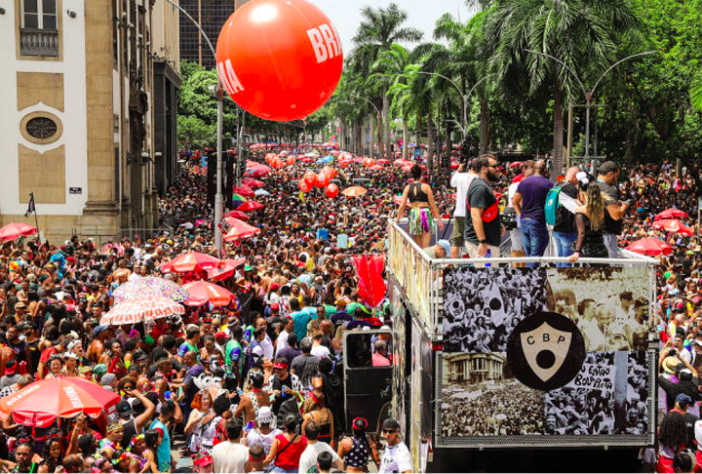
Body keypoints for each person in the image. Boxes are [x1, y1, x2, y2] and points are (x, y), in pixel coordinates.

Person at [464, 155, 504, 266]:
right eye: (494, 166)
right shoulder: (480, 187)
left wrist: (498, 225)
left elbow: (485, 212)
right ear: (484, 169)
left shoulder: (482, 185)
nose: (497, 169)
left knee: (488, 277)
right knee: (487, 279)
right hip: (482, 245)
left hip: (486, 243)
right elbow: (475, 215)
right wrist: (482, 241)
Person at [513, 160, 553, 264]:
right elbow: (553, 204)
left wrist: (521, 214)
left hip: (524, 221)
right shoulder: (548, 184)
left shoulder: (524, 182)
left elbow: (515, 201)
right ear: (545, 170)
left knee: (530, 253)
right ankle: (532, 277)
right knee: (535, 255)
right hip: (537, 221)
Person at [396, 165, 444, 248]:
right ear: (421, 174)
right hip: (425, 213)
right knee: (425, 247)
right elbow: (433, 205)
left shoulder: (407, 188)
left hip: (414, 213)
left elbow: (402, 206)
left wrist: (397, 220)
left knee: (417, 248)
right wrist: (439, 220)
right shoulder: (426, 187)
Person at [568, 173, 608, 264]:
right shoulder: (603, 210)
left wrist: (576, 252)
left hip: (586, 252)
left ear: (583, 194)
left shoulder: (580, 211)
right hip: (602, 249)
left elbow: (582, 233)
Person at [596, 161, 628, 258]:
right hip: (607, 234)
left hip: (593, 233)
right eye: (616, 176)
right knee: (609, 266)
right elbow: (615, 215)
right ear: (610, 173)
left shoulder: (591, 186)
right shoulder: (608, 190)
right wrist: (624, 207)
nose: (616, 179)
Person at [551, 165, 581, 266]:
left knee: (560, 259)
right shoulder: (571, 189)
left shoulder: (557, 185)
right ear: (574, 176)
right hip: (567, 230)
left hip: (557, 227)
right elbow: (574, 210)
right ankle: (563, 281)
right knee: (567, 263)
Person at [449, 160, 478, 258]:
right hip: (473, 213)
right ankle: (474, 266)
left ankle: (454, 265)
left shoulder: (460, 176)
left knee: (456, 241)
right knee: (473, 241)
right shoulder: (478, 178)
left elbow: (452, 183)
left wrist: (459, 170)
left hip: (459, 213)